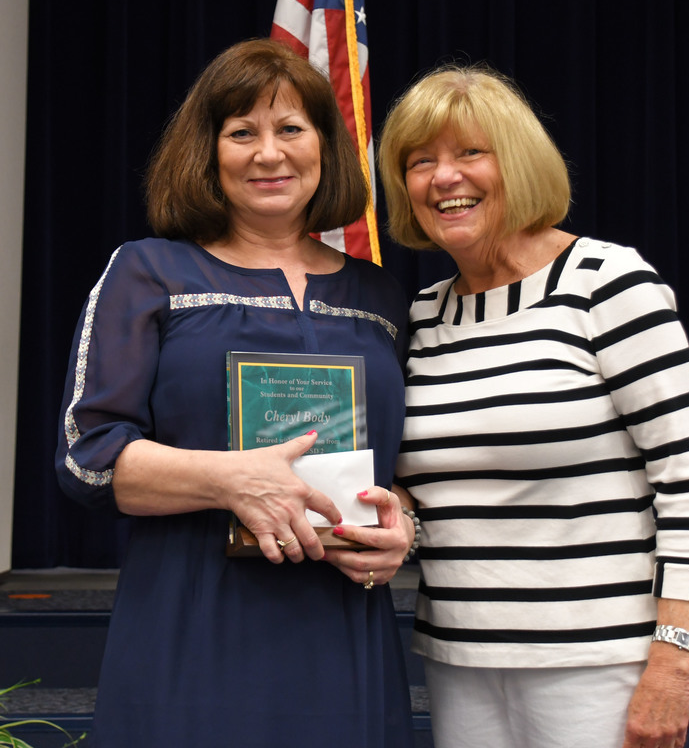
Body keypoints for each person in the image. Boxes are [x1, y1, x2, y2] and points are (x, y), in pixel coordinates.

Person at [55, 38, 418, 748]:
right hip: (191, 623)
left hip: (340, 624)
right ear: (209, 151)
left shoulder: (378, 294)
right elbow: (87, 459)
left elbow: (398, 471)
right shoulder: (147, 272)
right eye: (241, 133)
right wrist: (231, 479)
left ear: (325, 146)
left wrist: (400, 525)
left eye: (291, 130)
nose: (268, 153)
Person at [379, 65, 689, 748]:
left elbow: (686, 488)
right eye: (421, 162)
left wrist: (674, 660)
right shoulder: (421, 315)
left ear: (519, 161)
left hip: (599, 660)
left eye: (470, 152)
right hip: (458, 658)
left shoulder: (607, 282)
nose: (444, 177)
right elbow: (426, 484)